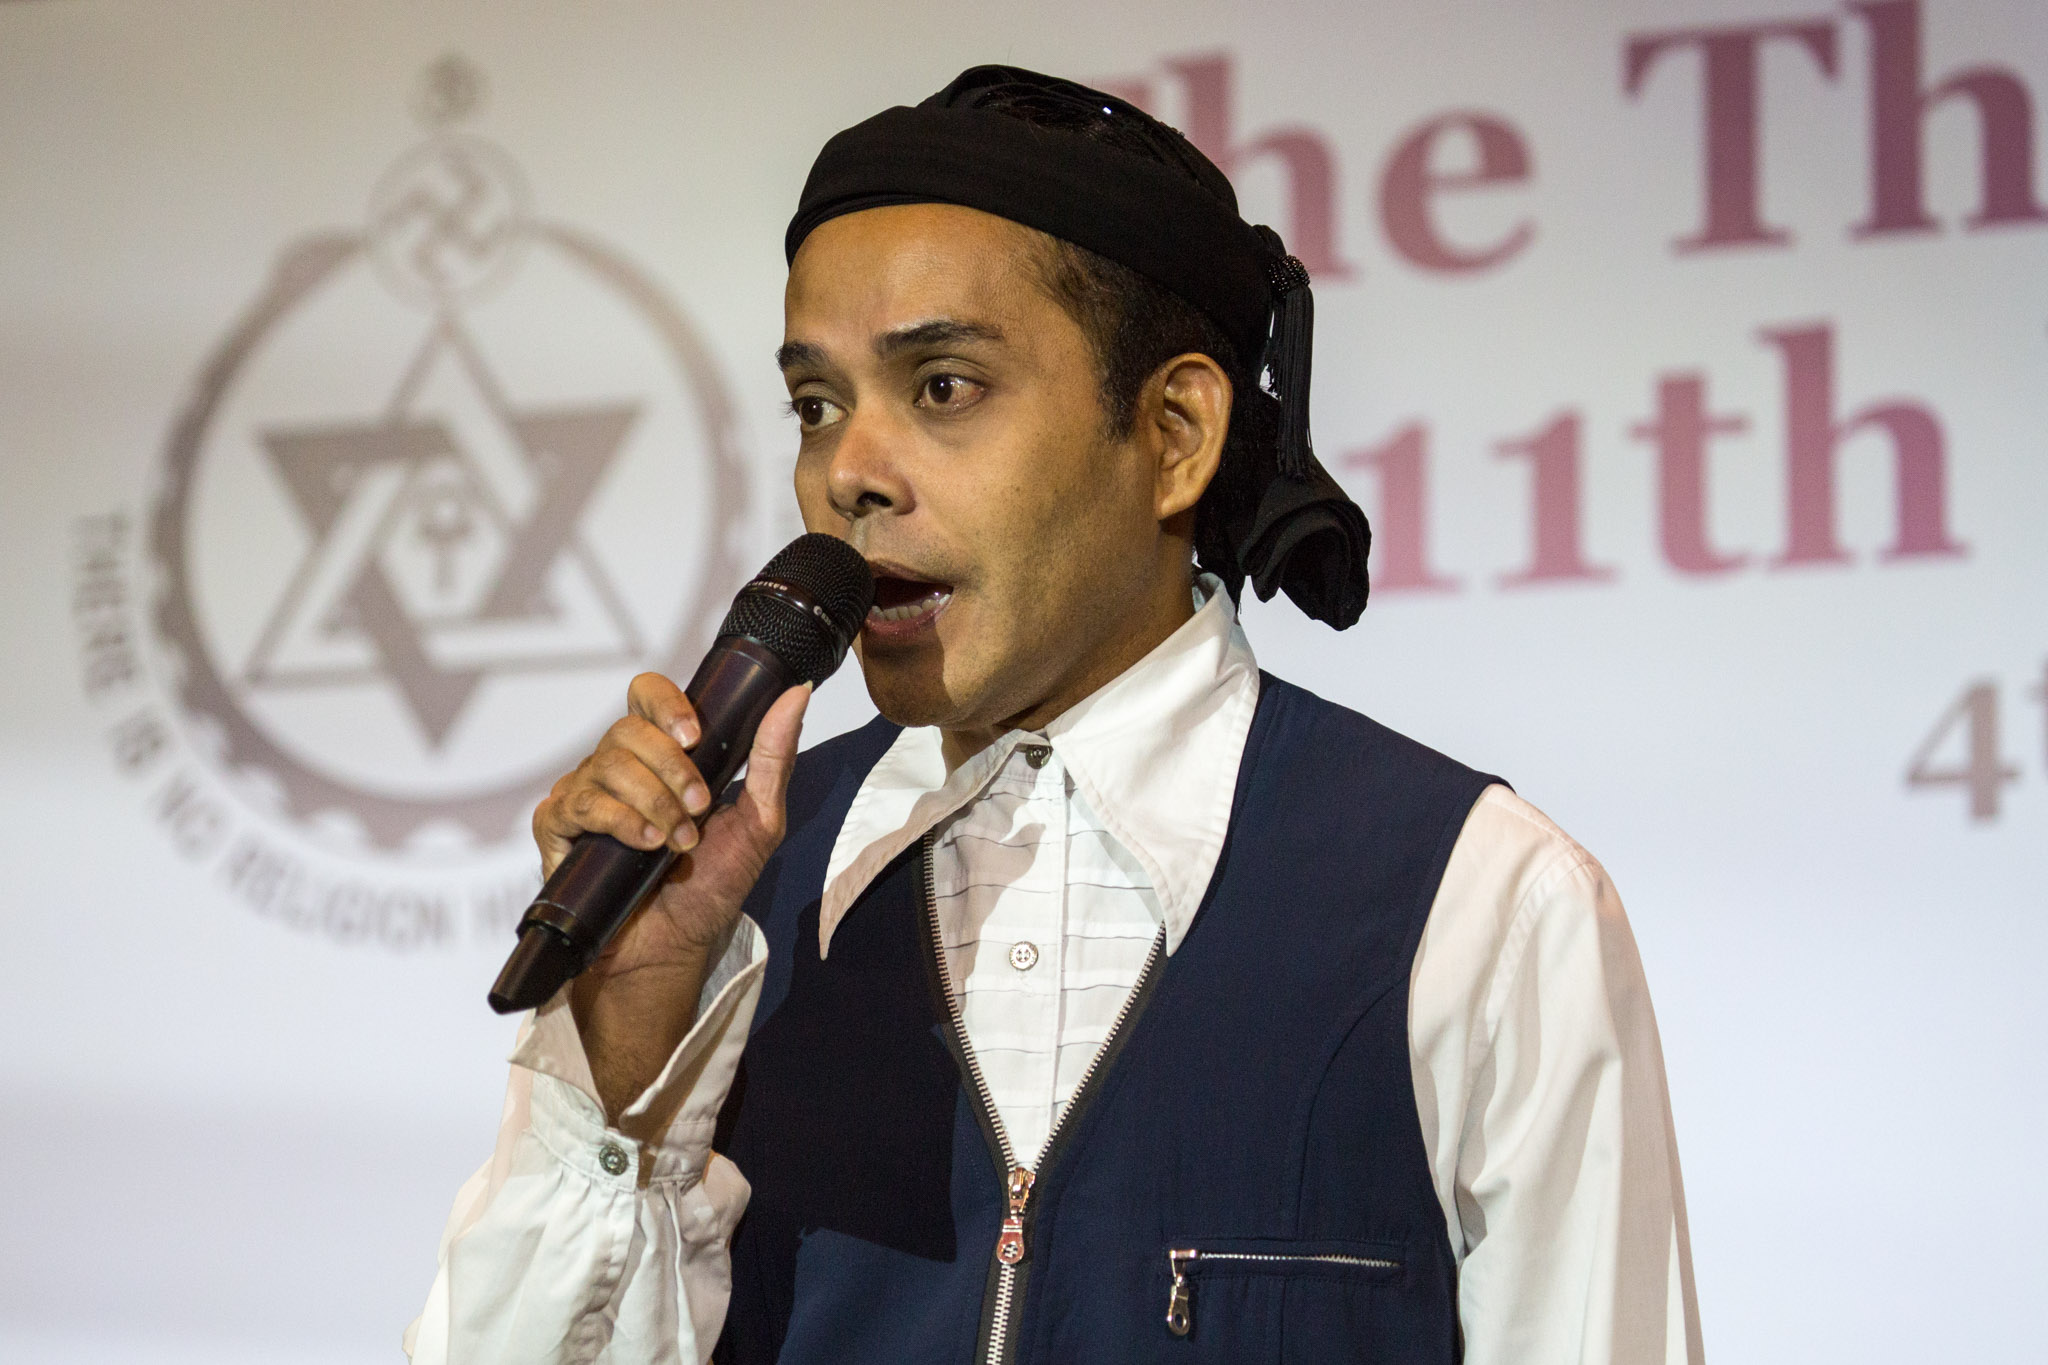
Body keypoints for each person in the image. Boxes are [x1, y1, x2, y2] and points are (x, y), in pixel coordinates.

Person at [407, 66, 1703, 1365]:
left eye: (944, 387)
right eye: (816, 405)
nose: (848, 472)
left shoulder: (1476, 900)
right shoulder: (726, 893)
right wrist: (626, 1052)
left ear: (1176, 433)